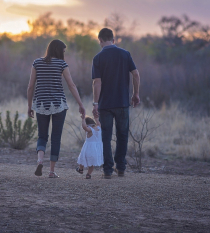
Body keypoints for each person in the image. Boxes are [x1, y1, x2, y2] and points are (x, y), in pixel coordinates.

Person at [27, 39, 85, 178]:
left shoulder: (37, 63)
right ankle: (51, 171)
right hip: (59, 104)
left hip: (41, 104)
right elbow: (71, 85)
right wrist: (80, 104)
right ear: (58, 51)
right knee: (56, 138)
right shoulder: (61, 64)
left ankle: (40, 160)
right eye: (63, 51)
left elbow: (30, 86)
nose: (64, 54)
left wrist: (30, 106)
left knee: (42, 135)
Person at [92, 28, 141, 179]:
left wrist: (95, 103)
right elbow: (136, 74)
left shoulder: (98, 58)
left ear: (100, 40)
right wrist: (135, 94)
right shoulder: (125, 54)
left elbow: (97, 83)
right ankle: (120, 168)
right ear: (113, 40)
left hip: (105, 104)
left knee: (106, 137)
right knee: (122, 135)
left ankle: (107, 170)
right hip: (122, 103)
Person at [76, 115, 103, 179]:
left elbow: (84, 127)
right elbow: (98, 123)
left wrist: (83, 119)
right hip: (97, 150)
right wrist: (96, 118)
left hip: (88, 149)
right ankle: (88, 174)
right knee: (91, 163)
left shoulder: (90, 130)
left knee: (82, 159)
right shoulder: (99, 128)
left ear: (87, 124)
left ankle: (80, 169)